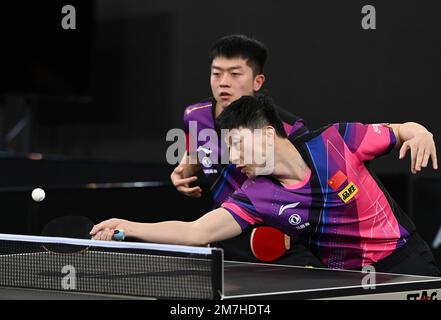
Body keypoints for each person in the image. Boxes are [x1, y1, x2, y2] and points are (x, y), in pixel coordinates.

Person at [91, 95, 440, 276]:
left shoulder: (337, 140)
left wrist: (420, 130)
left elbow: (401, 130)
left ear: (267, 134)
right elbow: (196, 232)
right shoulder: (256, 196)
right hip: (345, 279)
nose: (234, 156)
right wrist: (128, 226)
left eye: (238, 144)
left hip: (405, 261)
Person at [168, 34, 319, 265]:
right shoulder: (195, 116)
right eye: (216, 73)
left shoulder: (288, 128)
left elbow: (311, 184)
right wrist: (183, 168)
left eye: (235, 73)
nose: (223, 82)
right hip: (223, 234)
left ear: (257, 82)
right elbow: (197, 149)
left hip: (277, 240)